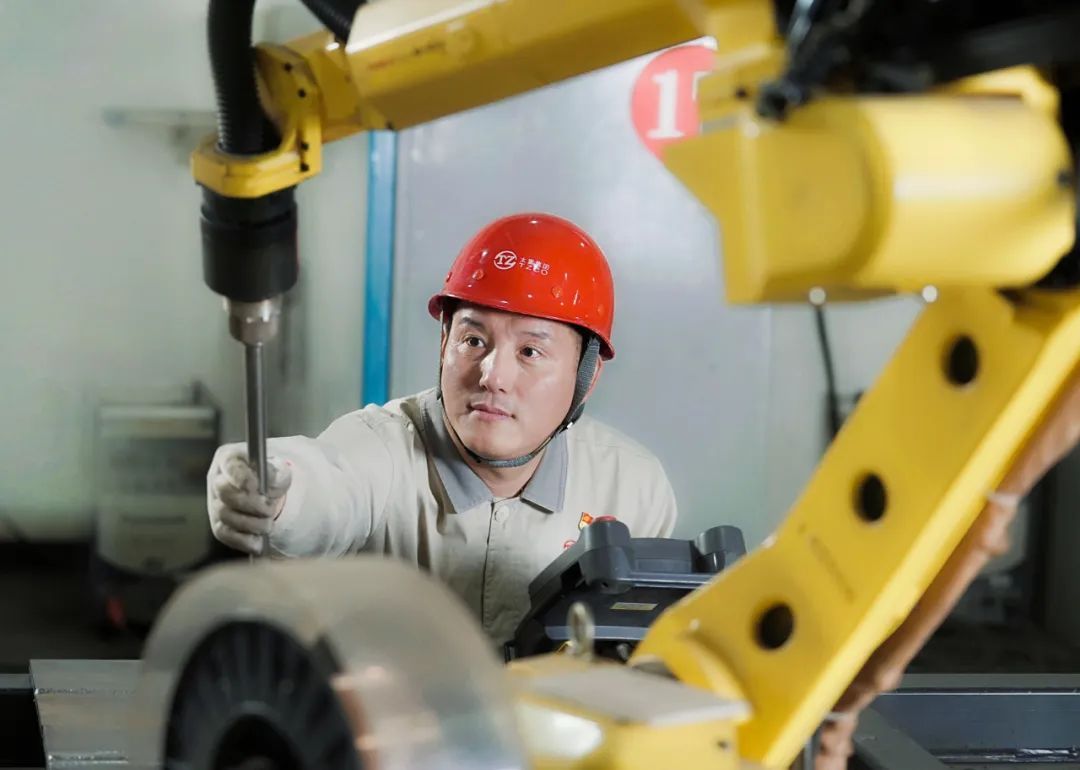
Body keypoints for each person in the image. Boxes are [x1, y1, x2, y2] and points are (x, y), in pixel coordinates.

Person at [207, 212, 678, 643]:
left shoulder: (633, 487)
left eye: (530, 352)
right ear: (443, 343)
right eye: (473, 340)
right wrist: (273, 491)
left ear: (586, 376)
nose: (493, 376)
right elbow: (327, 482)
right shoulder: (384, 448)